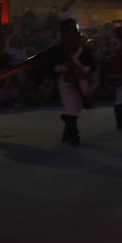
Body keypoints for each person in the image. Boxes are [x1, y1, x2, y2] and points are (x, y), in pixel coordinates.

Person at [42, 15, 97, 147]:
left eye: (74, 34)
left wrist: (83, 70)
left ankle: (67, 131)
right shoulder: (58, 52)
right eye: (69, 34)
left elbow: (92, 65)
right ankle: (74, 136)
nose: (72, 37)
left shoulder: (85, 51)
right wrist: (64, 69)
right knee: (72, 109)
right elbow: (50, 67)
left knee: (75, 110)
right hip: (66, 83)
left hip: (82, 82)